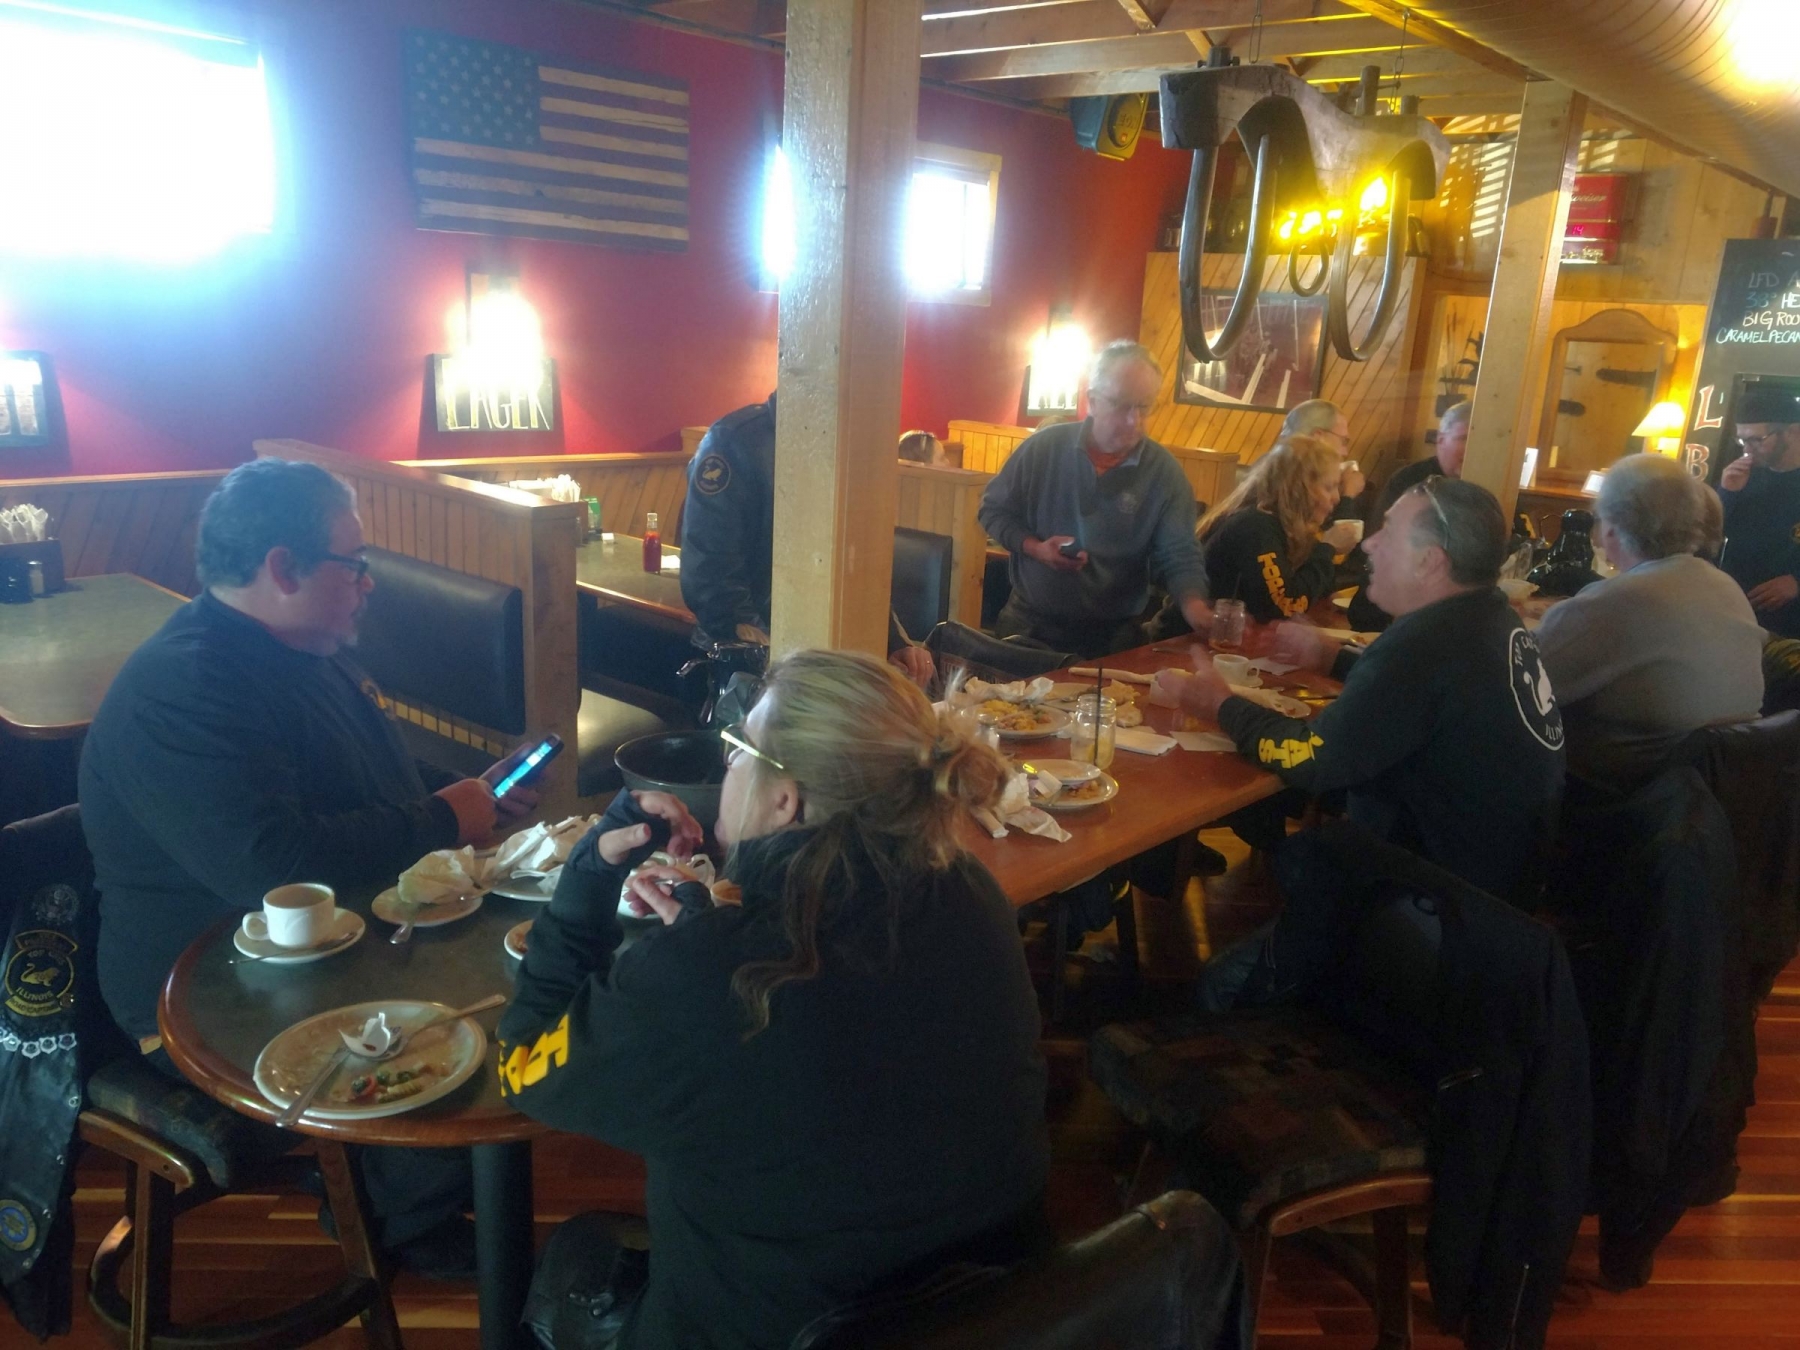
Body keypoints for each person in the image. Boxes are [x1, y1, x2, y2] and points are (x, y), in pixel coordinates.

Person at [498, 651, 1049, 1350]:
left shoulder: (705, 976)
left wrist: (585, 883)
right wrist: (709, 937)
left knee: (569, 1259)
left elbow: (523, 1066)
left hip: (776, 1330)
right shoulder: (970, 891)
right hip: (992, 1312)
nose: (729, 765)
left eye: (739, 749)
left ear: (785, 799)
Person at [79, 459, 530, 1276]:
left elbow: (366, 781)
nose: (367, 582)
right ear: (283, 568)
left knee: (515, 981)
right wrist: (440, 818)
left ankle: (404, 1195)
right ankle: (395, 1223)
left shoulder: (300, 647)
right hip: (202, 993)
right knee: (472, 1032)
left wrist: (470, 794)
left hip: (315, 954)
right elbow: (274, 867)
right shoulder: (182, 688)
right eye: (354, 564)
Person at [1157, 477, 1565, 905]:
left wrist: (1220, 705)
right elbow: (1417, 700)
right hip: (1502, 885)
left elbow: (1311, 760)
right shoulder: (1489, 617)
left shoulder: (1422, 646)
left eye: (1388, 531)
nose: (1369, 544)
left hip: (1442, 905)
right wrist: (1333, 658)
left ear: (1429, 562)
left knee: (1294, 874)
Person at [1537, 453, 1763, 787]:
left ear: (1609, 528)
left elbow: (1515, 688)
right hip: (1733, 792)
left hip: (1625, 800)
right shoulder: (1725, 586)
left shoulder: (1611, 604)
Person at [977, 341, 1212, 657]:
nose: (1134, 420)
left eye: (1143, 407)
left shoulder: (1164, 472)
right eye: (1122, 405)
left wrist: (1196, 610)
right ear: (1093, 401)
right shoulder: (1044, 448)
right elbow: (993, 510)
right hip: (1028, 624)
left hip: (1113, 638)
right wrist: (1036, 548)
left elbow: (1180, 552)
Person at [679, 394, 934, 683]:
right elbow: (711, 579)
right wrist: (775, 659)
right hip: (746, 665)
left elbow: (857, 564)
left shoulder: (850, 441)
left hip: (829, 661)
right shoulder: (732, 442)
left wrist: (893, 642)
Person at [1197, 435, 1361, 623]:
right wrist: (1327, 549)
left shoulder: (1288, 526)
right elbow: (1283, 606)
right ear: (1298, 488)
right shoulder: (1256, 527)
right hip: (1193, 636)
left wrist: (1325, 554)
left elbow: (1312, 589)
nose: (1337, 498)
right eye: (1329, 487)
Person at [1716, 384, 1800, 637]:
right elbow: (1707, 538)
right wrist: (1727, 494)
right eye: (1742, 440)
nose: (1747, 449)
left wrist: (1797, 581)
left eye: (1756, 439)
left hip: (1791, 624)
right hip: (1736, 613)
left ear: (1793, 432)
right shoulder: (1740, 477)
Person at [1282, 398, 1365, 516]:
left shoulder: (1276, 469)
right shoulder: (1294, 483)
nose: (1345, 452)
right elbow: (1329, 528)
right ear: (1318, 437)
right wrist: (1348, 496)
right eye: (1343, 441)